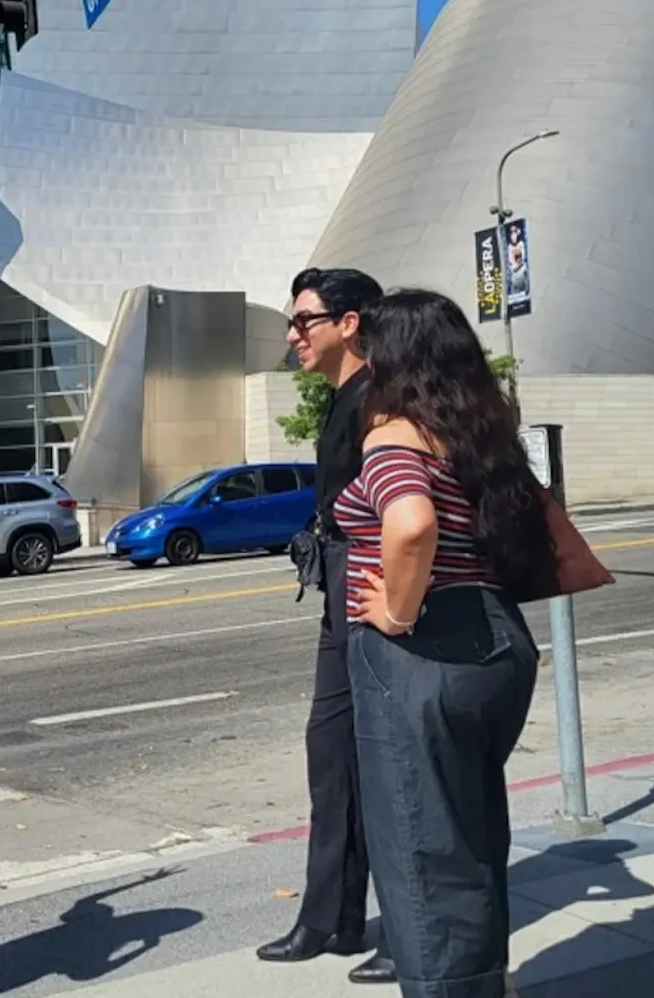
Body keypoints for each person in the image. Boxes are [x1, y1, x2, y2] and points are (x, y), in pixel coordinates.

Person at [338, 289, 550, 998]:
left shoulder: (394, 435)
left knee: (421, 849)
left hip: (423, 654)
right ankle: (486, 983)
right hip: (498, 643)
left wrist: (397, 614)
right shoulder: (480, 433)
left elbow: (411, 525)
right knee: (474, 834)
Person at [257, 267, 396, 985]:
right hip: (339, 583)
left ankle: (408, 928)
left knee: (388, 762)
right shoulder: (344, 397)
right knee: (331, 750)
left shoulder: (384, 396)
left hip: (376, 582)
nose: (292, 335)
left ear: (349, 323)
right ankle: (330, 917)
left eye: (303, 320)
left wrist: (394, 599)